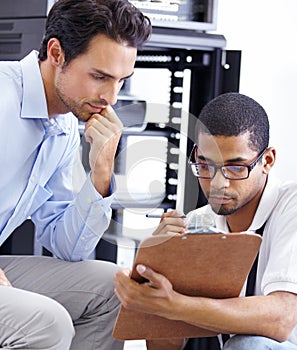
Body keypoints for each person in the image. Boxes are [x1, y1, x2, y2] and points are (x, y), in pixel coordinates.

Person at [0, 0, 151, 349]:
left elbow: (68, 246)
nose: (110, 98)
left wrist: (101, 171)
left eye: (121, 81)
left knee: (115, 288)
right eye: (99, 77)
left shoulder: (65, 126)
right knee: (46, 323)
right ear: (56, 53)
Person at [114, 92, 297, 350]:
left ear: (267, 161)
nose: (218, 184)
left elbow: (282, 319)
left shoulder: (292, 206)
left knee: (247, 345)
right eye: (205, 165)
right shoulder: (198, 222)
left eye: (236, 168)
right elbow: (163, 348)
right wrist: (162, 264)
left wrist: (176, 304)